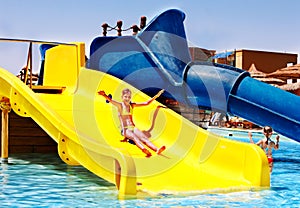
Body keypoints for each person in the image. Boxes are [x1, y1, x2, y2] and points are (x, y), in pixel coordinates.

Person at [98, 88, 166, 157]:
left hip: (133, 128)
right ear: (122, 97)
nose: (127, 98)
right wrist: (104, 95)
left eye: (129, 97)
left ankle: (157, 150)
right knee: (135, 138)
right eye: (125, 96)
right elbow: (110, 100)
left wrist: (157, 96)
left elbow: (146, 103)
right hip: (125, 130)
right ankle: (145, 150)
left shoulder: (132, 105)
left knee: (144, 138)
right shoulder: (120, 105)